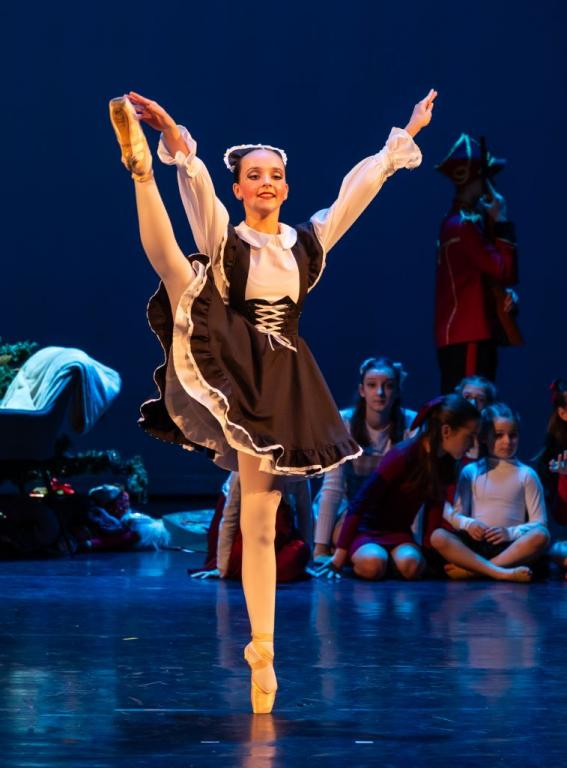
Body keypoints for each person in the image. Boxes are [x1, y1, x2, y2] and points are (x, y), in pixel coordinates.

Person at [109, 88, 437, 713]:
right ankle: (141, 172)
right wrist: (174, 142)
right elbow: (198, 187)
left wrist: (404, 141)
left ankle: (263, 650)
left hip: (282, 379)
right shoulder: (227, 237)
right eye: (254, 175)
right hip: (233, 351)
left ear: (286, 187)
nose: (266, 183)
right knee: (177, 268)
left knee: (261, 521)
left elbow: (357, 192)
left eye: (275, 175)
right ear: (239, 187)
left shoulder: (306, 243)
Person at [315, 394, 480, 581]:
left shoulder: (445, 463)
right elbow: (360, 502)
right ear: (446, 431)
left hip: (398, 532)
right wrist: (340, 556)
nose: (472, 445)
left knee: (412, 565)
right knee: (372, 564)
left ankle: (390, 562)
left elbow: (434, 512)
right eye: (470, 437)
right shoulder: (403, 455)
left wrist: (430, 556)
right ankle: (367, 557)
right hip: (366, 529)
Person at [434, 134, 521, 393]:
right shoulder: (464, 225)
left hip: (468, 332)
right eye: (487, 177)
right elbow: (504, 270)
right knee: (471, 407)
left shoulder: (460, 222)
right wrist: (502, 222)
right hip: (469, 333)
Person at [312, 356, 416, 561]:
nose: (380, 392)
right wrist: (320, 548)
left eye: (388, 386)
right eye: (372, 385)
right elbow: (333, 487)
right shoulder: (344, 422)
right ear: (362, 390)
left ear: (397, 391)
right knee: (369, 560)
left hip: (388, 513)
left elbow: (414, 488)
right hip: (349, 510)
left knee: (409, 562)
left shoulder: (410, 424)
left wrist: (416, 540)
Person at [431, 403, 549, 581]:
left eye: (513, 435)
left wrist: (509, 533)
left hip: (510, 547)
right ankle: (496, 570)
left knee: (541, 536)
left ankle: (477, 570)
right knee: (438, 536)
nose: (507, 441)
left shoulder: (527, 474)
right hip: (476, 545)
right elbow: (457, 515)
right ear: (484, 437)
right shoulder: (471, 471)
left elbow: (540, 523)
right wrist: (469, 524)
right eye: (499, 435)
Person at [191, 472, 312, 582]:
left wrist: (306, 562)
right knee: (239, 559)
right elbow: (230, 518)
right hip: (240, 525)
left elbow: (304, 514)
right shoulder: (242, 471)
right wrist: (222, 567)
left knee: (296, 553)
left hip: (278, 528)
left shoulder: (298, 470)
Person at [534, 379, 567, 575]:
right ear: (563, 413)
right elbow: (561, 517)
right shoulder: (557, 457)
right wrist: (564, 478)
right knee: (557, 551)